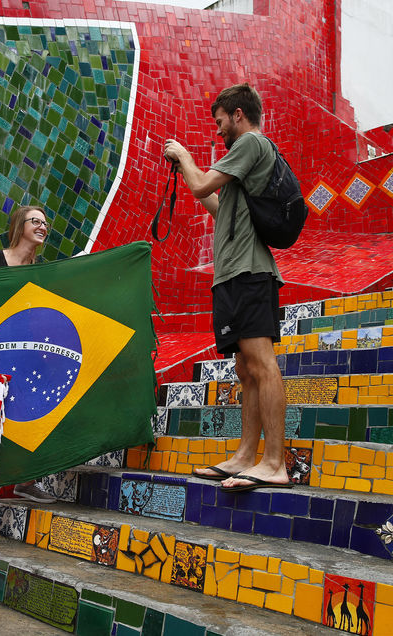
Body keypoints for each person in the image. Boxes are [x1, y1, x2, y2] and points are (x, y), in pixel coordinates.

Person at [163, 83, 290, 492]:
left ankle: (274, 462)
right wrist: (193, 176)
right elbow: (219, 208)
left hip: (252, 272)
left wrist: (183, 157)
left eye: (220, 121)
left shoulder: (251, 141)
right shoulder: (240, 165)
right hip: (232, 274)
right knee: (243, 367)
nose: (217, 129)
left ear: (238, 114)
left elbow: (202, 185)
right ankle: (244, 456)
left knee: (261, 362)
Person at [0, 205, 58, 505]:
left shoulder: (39, 272)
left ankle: (26, 480)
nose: (42, 226)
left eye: (45, 223)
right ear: (20, 225)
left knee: (32, 413)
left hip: (25, 355)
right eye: (36, 221)